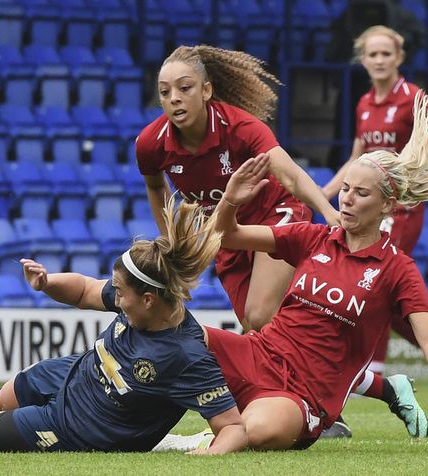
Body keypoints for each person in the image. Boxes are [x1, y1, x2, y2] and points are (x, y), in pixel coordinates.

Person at [200, 91, 428, 450]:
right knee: (177, 338)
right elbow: (229, 236)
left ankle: (205, 442)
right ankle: (136, 430)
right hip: (259, 356)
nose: (346, 199)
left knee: (255, 430)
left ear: (387, 205)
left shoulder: (398, 269)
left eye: (361, 193)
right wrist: (232, 199)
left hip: (307, 392)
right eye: (345, 189)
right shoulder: (312, 237)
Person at [0, 197, 247, 454]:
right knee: (2, 399)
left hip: (76, 427)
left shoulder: (187, 356)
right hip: (75, 374)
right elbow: (84, 290)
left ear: (148, 299)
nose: (115, 298)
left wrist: (208, 456)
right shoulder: (140, 302)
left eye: (120, 292)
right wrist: (47, 282)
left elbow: (232, 427)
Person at [321, 25, 428, 398]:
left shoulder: (415, 98)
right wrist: (320, 195)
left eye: (386, 54)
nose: (379, 60)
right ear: (363, 60)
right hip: (369, 205)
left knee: (374, 284)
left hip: (403, 208)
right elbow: (355, 160)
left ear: (399, 58)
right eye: (372, 54)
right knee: (384, 296)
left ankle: (372, 374)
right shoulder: (364, 104)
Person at [135, 44, 340, 332]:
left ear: (206, 91)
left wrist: (329, 212)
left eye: (184, 88)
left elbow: (291, 176)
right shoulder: (149, 143)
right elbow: (156, 187)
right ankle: (357, 369)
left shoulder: (242, 128)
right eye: (165, 92)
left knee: (259, 317)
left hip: (275, 215)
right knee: (254, 325)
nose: (175, 99)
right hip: (226, 232)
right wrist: (171, 240)